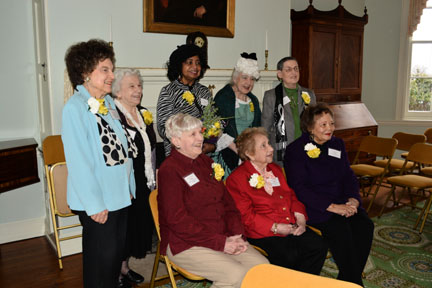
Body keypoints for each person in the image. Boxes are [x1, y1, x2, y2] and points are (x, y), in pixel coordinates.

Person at [158, 113, 269, 288]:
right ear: (176, 141)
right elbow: (178, 221)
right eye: (192, 134)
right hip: (185, 243)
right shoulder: (169, 170)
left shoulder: (205, 162)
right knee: (235, 275)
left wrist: (236, 233)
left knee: (262, 268)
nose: (200, 138)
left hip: (221, 234)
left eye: (200, 132)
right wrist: (220, 243)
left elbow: (228, 204)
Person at [62, 39, 136, 288]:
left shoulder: (108, 104)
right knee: (99, 266)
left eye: (111, 69)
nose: (111, 75)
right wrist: (94, 205)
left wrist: (128, 187)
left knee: (114, 261)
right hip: (99, 201)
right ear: (85, 72)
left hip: (118, 196)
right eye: (105, 69)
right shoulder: (75, 108)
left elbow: (121, 151)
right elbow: (79, 161)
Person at [284, 103, 374, 286]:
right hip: (316, 207)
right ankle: (355, 283)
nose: (330, 128)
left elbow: (348, 176)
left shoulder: (337, 144)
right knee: (342, 231)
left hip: (342, 202)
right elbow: (299, 189)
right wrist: (333, 207)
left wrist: (353, 200)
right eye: (323, 124)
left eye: (331, 123)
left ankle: (347, 279)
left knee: (365, 226)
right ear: (309, 127)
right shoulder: (296, 151)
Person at [226, 127, 327, 275]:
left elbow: (291, 196)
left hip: (289, 224)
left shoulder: (275, 169)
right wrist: (275, 227)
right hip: (262, 232)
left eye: (269, 143)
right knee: (290, 255)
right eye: (264, 146)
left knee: (318, 245)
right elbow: (246, 217)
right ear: (249, 153)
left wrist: (300, 217)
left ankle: (303, 284)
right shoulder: (236, 180)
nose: (271, 148)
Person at [112, 69, 157, 287]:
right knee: (123, 229)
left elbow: (154, 147)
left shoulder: (144, 112)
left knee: (137, 225)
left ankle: (125, 266)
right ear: (117, 92)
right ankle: (116, 272)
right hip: (126, 180)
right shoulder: (114, 115)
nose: (138, 90)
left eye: (139, 85)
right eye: (131, 86)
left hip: (145, 179)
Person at [157, 44, 214, 157]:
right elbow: (163, 127)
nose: (195, 67)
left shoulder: (204, 91)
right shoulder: (168, 91)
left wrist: (212, 143)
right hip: (178, 154)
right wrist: (186, 142)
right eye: (189, 62)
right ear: (179, 65)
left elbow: (213, 121)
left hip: (203, 154)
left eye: (198, 63)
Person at [213, 53, 262, 178]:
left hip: (249, 152)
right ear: (235, 78)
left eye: (252, 79)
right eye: (244, 77)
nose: (248, 83)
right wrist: (238, 151)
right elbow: (217, 130)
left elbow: (258, 128)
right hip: (228, 152)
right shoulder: (224, 97)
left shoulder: (253, 100)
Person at [261, 57, 316, 167]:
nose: (294, 72)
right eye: (288, 69)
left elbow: (315, 123)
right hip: (282, 150)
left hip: (306, 147)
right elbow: (265, 127)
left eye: (296, 69)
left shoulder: (309, 94)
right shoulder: (271, 96)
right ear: (280, 74)